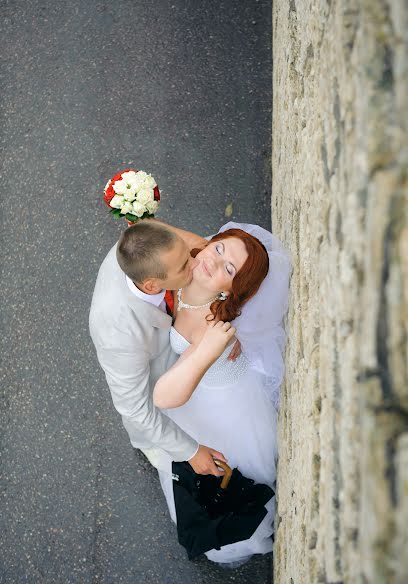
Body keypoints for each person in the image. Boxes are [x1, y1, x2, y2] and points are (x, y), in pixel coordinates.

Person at [153, 222, 291, 566]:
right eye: (219, 249)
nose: (214, 262)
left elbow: (166, 397)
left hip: (220, 404)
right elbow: (192, 242)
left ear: (230, 290)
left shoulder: (212, 329)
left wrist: (209, 348)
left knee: (212, 480)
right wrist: (138, 213)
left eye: (228, 269)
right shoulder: (199, 260)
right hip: (197, 387)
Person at [89, 220, 237, 477]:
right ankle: (146, 445)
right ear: (152, 286)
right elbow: (134, 407)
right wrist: (190, 451)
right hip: (144, 357)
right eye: (184, 266)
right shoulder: (118, 334)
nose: (195, 263)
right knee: (144, 407)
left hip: (165, 333)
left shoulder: (139, 245)